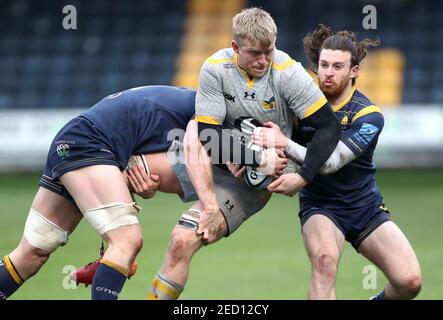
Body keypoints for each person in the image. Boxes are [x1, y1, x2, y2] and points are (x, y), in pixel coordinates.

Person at [147, 8, 342, 300]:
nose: (264, 60)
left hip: (248, 184)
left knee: (181, 241)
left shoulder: (288, 72)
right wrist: (247, 154)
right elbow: (206, 135)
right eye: (255, 53)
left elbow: (329, 128)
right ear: (235, 47)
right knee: (129, 170)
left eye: (269, 51)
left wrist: (302, 176)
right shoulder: (215, 68)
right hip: (212, 162)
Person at [251, 25, 422, 299]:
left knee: (410, 281)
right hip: (321, 205)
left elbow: (329, 162)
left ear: (354, 71)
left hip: (364, 206)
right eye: (323, 65)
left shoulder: (368, 117)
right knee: (325, 263)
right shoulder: (299, 108)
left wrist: (284, 143)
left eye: (338, 66)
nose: (328, 72)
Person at [0, 85, 197, 300]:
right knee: (126, 241)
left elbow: (133, 158)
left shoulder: (187, 103)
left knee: (31, 254)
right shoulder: (208, 114)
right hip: (88, 146)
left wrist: (144, 187)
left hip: (73, 142)